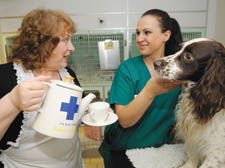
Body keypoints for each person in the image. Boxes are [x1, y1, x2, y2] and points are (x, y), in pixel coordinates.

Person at [99, 9, 185, 168]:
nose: (140, 38)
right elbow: (124, 120)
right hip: (124, 151)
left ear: (166, 35)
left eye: (147, 32)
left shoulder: (179, 72)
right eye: (138, 33)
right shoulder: (128, 69)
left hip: (160, 152)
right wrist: (149, 92)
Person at [0, 9, 84, 168]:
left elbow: (73, 114)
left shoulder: (69, 74)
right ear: (43, 43)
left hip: (73, 162)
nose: (72, 48)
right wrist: (12, 102)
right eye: (65, 40)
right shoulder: (4, 77)